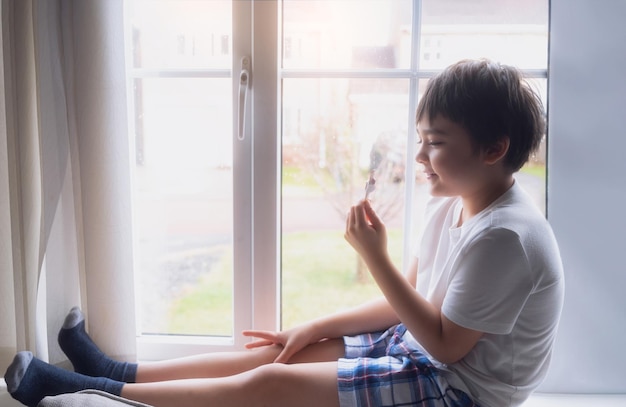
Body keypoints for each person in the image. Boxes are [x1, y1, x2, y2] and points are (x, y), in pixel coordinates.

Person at [4, 59, 564, 407]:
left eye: (436, 142)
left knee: (269, 387)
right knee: (285, 352)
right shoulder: (454, 204)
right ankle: (116, 370)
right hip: (418, 351)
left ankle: (84, 391)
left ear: (493, 150)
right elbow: (406, 309)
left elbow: (445, 343)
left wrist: (375, 259)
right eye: (420, 138)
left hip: (457, 390)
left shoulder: (506, 238)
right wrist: (309, 327)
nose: (420, 155)